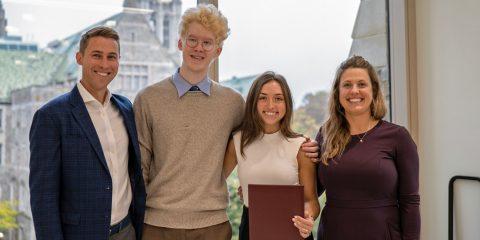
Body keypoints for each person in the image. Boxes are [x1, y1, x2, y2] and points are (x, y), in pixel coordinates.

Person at [134, 4, 319, 240]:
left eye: (207, 43)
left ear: (218, 51)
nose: (199, 48)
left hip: (213, 225)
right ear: (180, 43)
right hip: (157, 224)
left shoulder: (233, 103)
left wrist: (307, 148)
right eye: (192, 40)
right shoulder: (148, 99)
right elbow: (139, 169)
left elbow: (265, 134)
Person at [29, 26, 146, 240]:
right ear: (79, 58)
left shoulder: (126, 107)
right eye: (96, 55)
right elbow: (43, 198)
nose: (104, 64)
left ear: (118, 60)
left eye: (111, 57)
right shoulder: (51, 116)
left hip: (128, 231)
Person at [315, 56, 420, 240]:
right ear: (337, 93)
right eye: (347, 85)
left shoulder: (398, 137)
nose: (354, 91)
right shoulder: (325, 135)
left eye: (361, 84)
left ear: (374, 90)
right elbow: (311, 191)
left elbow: (410, 202)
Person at [222, 71, 319, 240]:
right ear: (253, 102)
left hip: (293, 230)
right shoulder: (238, 141)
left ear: (287, 103)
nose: (270, 105)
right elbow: (213, 180)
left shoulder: (301, 146)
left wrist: (308, 218)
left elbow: (311, 200)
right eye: (263, 98)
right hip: (251, 230)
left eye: (278, 98)